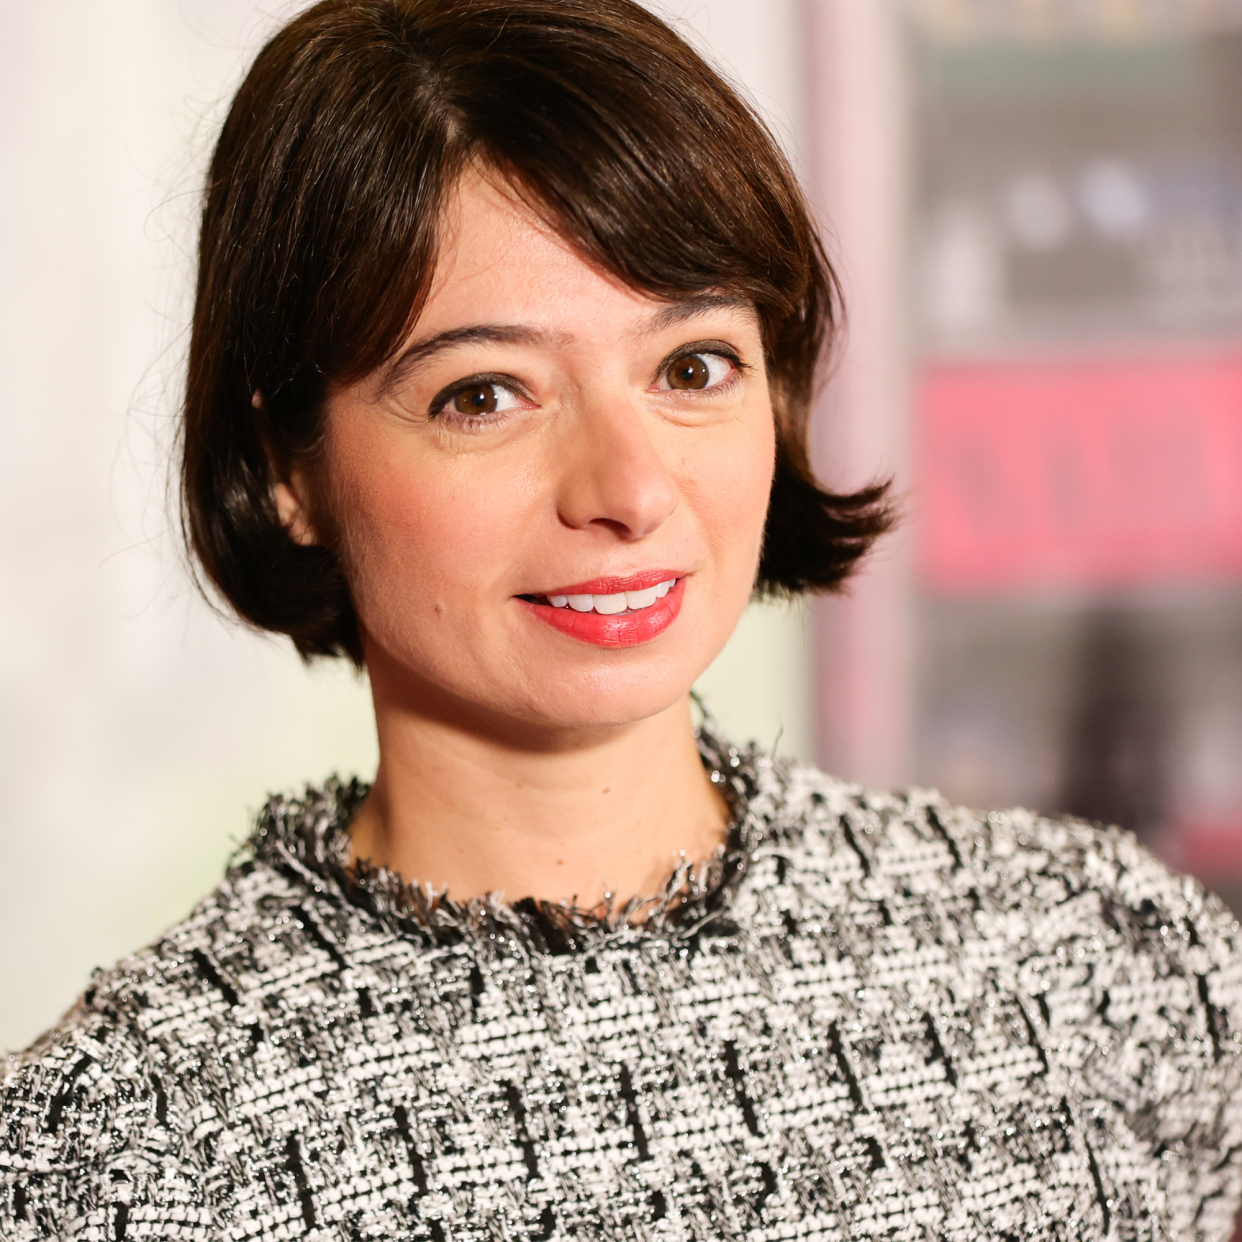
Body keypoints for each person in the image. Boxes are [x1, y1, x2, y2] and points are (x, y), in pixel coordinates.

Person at [2, 1, 1241, 1237]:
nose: (630, 491)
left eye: (692, 367)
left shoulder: (1093, 961)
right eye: (484, 394)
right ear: (290, 467)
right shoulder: (133, 1150)